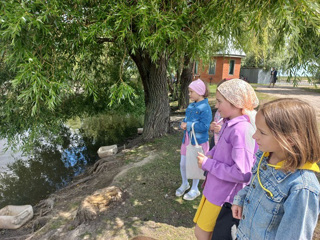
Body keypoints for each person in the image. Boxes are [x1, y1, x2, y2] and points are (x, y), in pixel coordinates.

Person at [232, 98, 320, 240]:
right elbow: (255, 183)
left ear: (290, 139)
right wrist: (240, 198)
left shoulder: (302, 188)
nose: (254, 136)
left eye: (262, 132)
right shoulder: (265, 155)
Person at [194, 79, 259, 240]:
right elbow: (220, 147)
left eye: (219, 101)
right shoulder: (229, 123)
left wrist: (208, 163)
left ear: (235, 102)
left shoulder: (241, 130)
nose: (216, 106)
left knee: (202, 234)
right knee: (204, 232)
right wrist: (211, 154)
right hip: (214, 190)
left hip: (223, 197)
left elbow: (242, 173)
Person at [176, 79, 212, 201]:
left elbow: (204, 127)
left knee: (196, 166)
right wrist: (183, 123)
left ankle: (195, 188)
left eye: (191, 92)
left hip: (198, 142)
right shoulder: (191, 106)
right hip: (186, 140)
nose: (189, 94)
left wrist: (189, 125)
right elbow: (186, 120)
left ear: (199, 92)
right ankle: (184, 183)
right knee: (183, 163)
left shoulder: (205, 108)